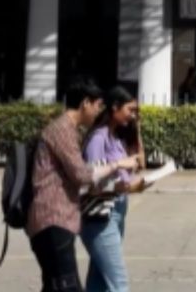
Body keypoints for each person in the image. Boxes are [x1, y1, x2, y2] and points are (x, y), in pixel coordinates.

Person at [27, 76, 139, 292]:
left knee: (56, 286)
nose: (99, 112)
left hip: (58, 221)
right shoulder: (62, 130)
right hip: (53, 219)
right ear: (85, 103)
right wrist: (116, 165)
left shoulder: (67, 129)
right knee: (68, 287)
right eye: (97, 105)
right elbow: (82, 175)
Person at [79, 86, 153, 292]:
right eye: (130, 110)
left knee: (99, 282)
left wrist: (136, 127)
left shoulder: (117, 137)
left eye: (136, 111)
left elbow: (141, 162)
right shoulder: (98, 138)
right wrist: (128, 187)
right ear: (114, 108)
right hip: (101, 218)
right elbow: (93, 182)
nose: (133, 114)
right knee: (118, 284)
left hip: (115, 214)